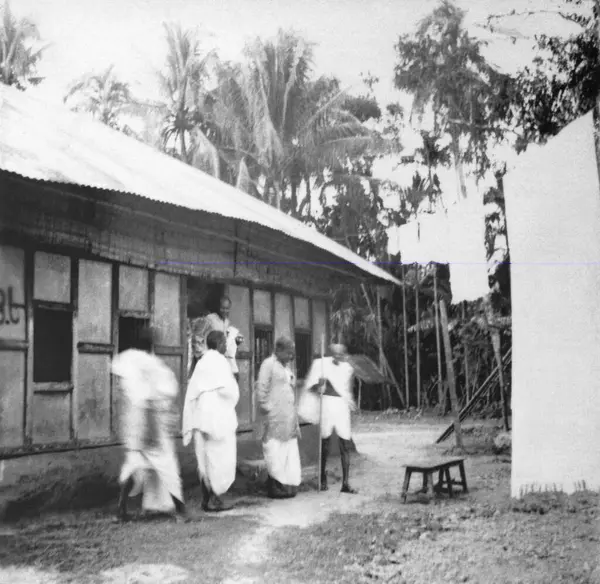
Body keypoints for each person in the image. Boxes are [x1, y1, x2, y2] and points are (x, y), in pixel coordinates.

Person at [111, 326, 187, 522]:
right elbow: (169, 393)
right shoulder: (157, 366)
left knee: (133, 464)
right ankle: (181, 511)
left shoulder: (125, 359)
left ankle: (121, 509)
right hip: (151, 419)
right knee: (167, 465)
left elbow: (121, 388)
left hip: (133, 420)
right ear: (153, 344)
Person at [182, 330, 239, 512]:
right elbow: (229, 390)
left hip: (201, 416)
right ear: (219, 344)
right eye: (224, 342)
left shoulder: (202, 362)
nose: (225, 346)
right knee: (219, 457)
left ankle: (206, 499)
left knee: (204, 458)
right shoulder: (221, 361)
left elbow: (192, 392)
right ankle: (215, 499)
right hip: (216, 416)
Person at [304, 343, 358, 494]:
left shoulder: (348, 369)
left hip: (341, 407)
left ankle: (346, 483)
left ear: (344, 355)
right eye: (335, 354)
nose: (338, 357)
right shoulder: (321, 365)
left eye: (341, 354)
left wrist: (347, 403)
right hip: (327, 405)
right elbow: (311, 386)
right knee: (325, 443)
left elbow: (347, 392)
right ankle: (322, 479)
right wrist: (319, 386)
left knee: (345, 444)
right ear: (331, 354)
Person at [256, 337, 302, 499]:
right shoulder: (268, 364)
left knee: (287, 451)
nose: (291, 356)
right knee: (274, 451)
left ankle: (286, 486)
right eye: (289, 352)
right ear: (279, 350)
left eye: (292, 352)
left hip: (288, 417)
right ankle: (274, 487)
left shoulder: (287, 368)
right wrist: (266, 410)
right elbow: (261, 389)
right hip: (274, 417)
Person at [189, 296, 244, 379]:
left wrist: (235, 340)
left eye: (227, 308)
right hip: (209, 360)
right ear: (218, 307)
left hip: (220, 360)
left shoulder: (226, 321)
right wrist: (202, 356)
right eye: (222, 308)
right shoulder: (209, 319)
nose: (225, 311)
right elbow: (197, 338)